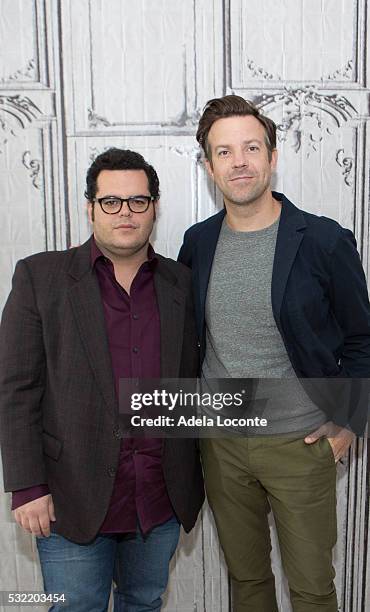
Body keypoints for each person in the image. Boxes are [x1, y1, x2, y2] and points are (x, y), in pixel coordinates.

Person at [178, 95, 370, 611]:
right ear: (209, 166)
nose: (239, 161)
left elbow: (360, 337)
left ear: (272, 156)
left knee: (311, 589)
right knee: (248, 583)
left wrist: (348, 422)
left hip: (300, 445)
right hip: (221, 447)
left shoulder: (325, 241)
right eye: (224, 152)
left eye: (251, 147)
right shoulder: (197, 243)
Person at [0, 148, 204, 612]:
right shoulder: (40, 277)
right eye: (111, 201)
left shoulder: (181, 283)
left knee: (144, 601)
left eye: (138, 201)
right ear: (90, 206)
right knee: (75, 607)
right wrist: (28, 485)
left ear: (155, 206)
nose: (125, 213)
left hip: (159, 493)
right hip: (71, 494)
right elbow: (15, 389)